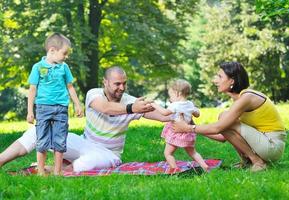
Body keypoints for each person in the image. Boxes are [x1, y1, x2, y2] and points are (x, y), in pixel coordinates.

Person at [0, 66, 170, 172]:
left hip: (109, 154)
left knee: (85, 164)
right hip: (85, 143)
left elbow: (162, 116)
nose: (122, 88)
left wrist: (178, 111)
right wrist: (131, 108)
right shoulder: (93, 94)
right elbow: (105, 108)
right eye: (117, 84)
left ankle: (52, 170)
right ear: (105, 82)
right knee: (37, 131)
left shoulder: (131, 101)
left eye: (124, 83)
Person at [173, 62, 287, 172]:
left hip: (272, 145)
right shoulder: (239, 100)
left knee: (224, 116)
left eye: (220, 76)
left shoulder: (247, 97)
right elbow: (223, 136)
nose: (215, 80)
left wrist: (187, 128)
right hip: (264, 143)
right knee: (224, 118)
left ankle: (258, 162)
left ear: (231, 80)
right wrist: (192, 126)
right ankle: (248, 162)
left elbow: (217, 128)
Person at [26, 33, 83, 175]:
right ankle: (40, 172)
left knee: (60, 140)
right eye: (64, 53)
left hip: (61, 109)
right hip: (43, 108)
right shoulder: (37, 67)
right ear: (52, 50)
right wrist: (30, 111)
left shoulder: (64, 67)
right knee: (42, 141)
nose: (66, 56)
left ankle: (57, 173)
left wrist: (77, 104)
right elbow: (32, 89)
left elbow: (70, 86)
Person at [151, 79, 208, 172]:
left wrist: (154, 104)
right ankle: (204, 166)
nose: (170, 99)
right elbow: (197, 114)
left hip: (176, 132)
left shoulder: (175, 105)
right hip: (187, 133)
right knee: (193, 152)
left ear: (177, 93)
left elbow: (164, 113)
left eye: (171, 96)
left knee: (168, 153)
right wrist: (193, 111)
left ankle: (174, 168)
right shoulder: (190, 104)